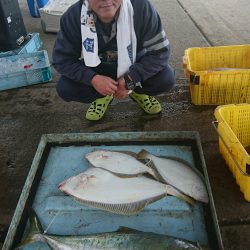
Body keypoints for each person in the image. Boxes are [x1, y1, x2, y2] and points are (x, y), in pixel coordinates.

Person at [52, 0, 175, 121]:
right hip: (99, 68)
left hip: (134, 64)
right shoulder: (73, 16)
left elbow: (161, 52)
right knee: (65, 87)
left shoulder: (142, 7)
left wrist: (132, 79)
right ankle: (103, 95)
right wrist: (93, 79)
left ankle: (136, 91)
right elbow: (61, 60)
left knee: (166, 78)